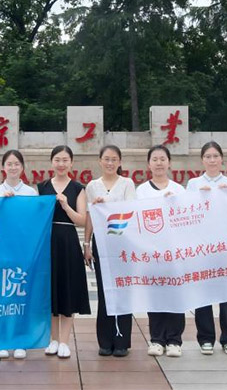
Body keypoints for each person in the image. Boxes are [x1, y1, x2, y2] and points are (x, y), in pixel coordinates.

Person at [186, 141, 227, 356]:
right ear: (202, 160)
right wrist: (199, 197)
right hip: (202, 247)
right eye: (208, 156)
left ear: (222, 158)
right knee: (203, 294)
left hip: (225, 246)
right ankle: (206, 338)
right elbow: (187, 213)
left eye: (216, 156)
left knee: (226, 294)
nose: (212, 160)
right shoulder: (194, 184)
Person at [37, 145, 90, 359]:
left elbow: (82, 220)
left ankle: (65, 342)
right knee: (50, 290)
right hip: (47, 242)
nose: (61, 164)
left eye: (65, 160)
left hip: (68, 241)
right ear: (52, 162)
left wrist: (66, 206)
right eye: (57, 159)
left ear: (71, 163)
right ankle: (53, 339)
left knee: (68, 288)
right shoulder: (42, 187)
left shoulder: (78, 188)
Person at [84, 145, 136, 357]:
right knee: (104, 292)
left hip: (122, 243)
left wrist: (108, 204)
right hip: (101, 243)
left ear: (120, 162)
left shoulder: (127, 184)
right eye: (106, 159)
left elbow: (131, 211)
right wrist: (86, 244)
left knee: (122, 290)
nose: (110, 163)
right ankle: (105, 341)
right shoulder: (92, 186)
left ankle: (122, 341)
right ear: (99, 161)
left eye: (114, 159)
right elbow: (89, 216)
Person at [136, 145, 186, 358]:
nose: (159, 163)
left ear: (169, 162)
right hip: (152, 252)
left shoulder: (179, 189)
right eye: (155, 159)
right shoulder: (141, 191)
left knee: (175, 295)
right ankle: (156, 339)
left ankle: (174, 340)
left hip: (174, 252)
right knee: (155, 295)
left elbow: (186, 220)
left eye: (162, 159)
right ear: (149, 164)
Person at [0, 149, 37, 359]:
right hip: (0, 251)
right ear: (3, 167)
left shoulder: (30, 193)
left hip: (22, 251)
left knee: (20, 296)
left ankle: (20, 341)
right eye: (9, 164)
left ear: (22, 167)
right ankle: (0, 340)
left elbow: (34, 220)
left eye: (17, 164)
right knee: (0, 296)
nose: (13, 167)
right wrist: (1, 203)